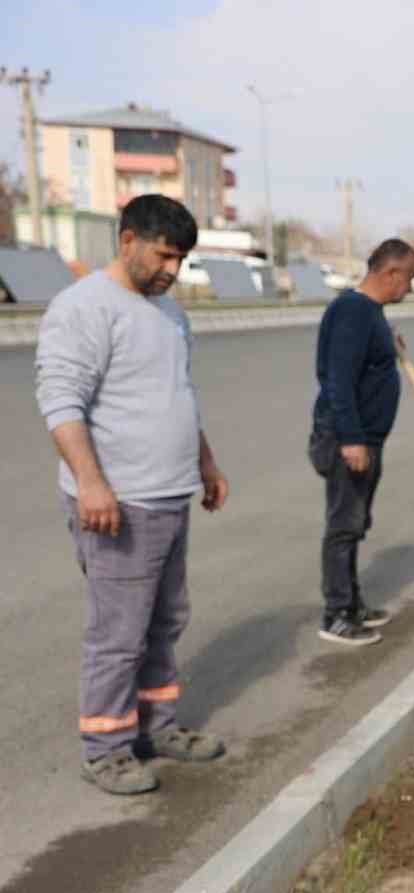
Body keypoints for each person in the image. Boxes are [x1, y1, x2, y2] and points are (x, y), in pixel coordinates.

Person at [35, 194, 229, 796]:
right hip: (118, 503)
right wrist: (92, 483)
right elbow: (60, 400)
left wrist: (205, 461)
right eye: (165, 255)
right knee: (119, 633)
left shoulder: (170, 313)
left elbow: (176, 392)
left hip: (169, 496)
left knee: (165, 621)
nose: (173, 269)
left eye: (181, 258)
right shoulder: (85, 307)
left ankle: (155, 727)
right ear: (127, 241)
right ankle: (106, 749)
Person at [308, 238, 414, 647]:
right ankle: (336, 615)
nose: (410, 287)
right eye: (409, 278)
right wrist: (351, 438)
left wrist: (388, 348)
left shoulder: (370, 314)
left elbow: (365, 363)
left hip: (366, 439)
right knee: (343, 525)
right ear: (391, 274)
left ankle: (352, 604)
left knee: (355, 524)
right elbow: (338, 379)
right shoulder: (353, 312)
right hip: (346, 439)